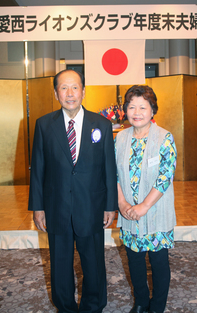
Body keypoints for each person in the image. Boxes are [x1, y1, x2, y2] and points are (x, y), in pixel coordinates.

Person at [28, 69, 118, 313]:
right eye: (64, 88)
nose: (70, 93)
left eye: (75, 87)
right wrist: (38, 207)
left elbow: (109, 168)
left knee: (93, 264)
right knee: (60, 264)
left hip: (92, 207)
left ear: (84, 91)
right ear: (56, 92)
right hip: (56, 208)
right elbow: (38, 169)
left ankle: (93, 306)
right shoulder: (44, 125)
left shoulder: (102, 125)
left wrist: (110, 205)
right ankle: (65, 307)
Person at [114, 85, 177, 313]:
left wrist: (144, 207)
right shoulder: (120, 139)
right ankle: (141, 302)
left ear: (153, 111)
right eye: (132, 106)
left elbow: (165, 177)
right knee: (134, 261)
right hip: (129, 213)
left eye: (143, 107)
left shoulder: (164, 138)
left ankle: (157, 306)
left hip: (156, 214)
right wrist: (122, 204)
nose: (137, 112)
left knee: (159, 263)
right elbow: (113, 174)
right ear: (125, 111)